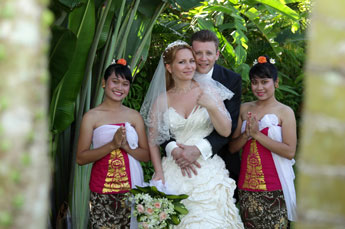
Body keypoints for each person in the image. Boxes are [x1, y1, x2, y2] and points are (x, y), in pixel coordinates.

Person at [140, 41, 243, 228]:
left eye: (191, 61)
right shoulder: (162, 99)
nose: (189, 66)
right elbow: (154, 140)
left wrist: (211, 105)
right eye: (182, 62)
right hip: (174, 172)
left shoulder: (209, 90)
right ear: (169, 67)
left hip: (207, 174)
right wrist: (159, 172)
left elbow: (226, 131)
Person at [163, 30, 242, 198]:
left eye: (209, 53)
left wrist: (199, 149)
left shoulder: (231, 80)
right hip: (178, 162)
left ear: (217, 54)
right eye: (198, 53)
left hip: (216, 160)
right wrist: (175, 150)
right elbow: (160, 124)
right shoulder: (175, 76)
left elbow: (231, 125)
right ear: (191, 51)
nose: (203, 58)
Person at [76, 59, 150, 229]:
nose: (120, 88)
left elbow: (145, 155)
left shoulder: (134, 116)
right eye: (115, 81)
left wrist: (125, 146)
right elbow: (81, 158)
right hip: (102, 188)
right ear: (104, 82)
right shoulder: (91, 117)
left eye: (125, 84)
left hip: (132, 188)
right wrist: (112, 145)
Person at [228, 56, 297, 228]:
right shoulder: (245, 109)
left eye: (264, 82)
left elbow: (289, 152)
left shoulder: (285, 112)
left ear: (276, 82)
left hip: (275, 187)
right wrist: (246, 135)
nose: (259, 87)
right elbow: (232, 148)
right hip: (247, 187)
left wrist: (257, 134)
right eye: (254, 82)